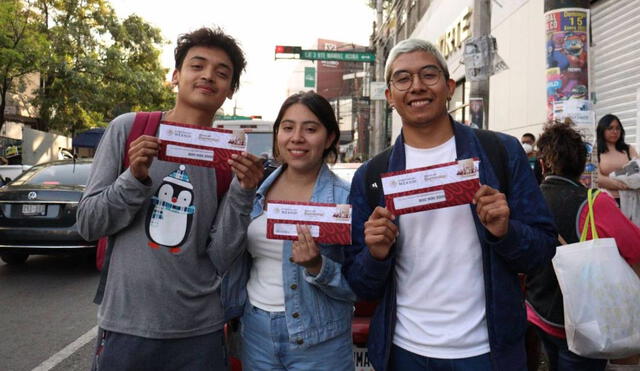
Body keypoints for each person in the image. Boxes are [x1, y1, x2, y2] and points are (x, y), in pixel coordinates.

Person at [342, 38, 557, 371]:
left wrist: (505, 232)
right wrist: (376, 254)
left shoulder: (501, 153)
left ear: (449, 86)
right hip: (404, 351)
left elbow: (541, 250)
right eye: (402, 78)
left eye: (429, 75)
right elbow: (359, 282)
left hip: (489, 351)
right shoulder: (372, 175)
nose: (416, 86)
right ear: (389, 97)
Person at [77, 27, 264, 371]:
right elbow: (89, 224)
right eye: (198, 65)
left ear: (230, 90)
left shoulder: (226, 156)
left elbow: (222, 255)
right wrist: (133, 177)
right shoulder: (130, 129)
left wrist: (242, 192)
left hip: (201, 333)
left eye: (222, 73)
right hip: (126, 327)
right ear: (176, 76)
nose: (208, 76)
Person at [222, 91, 355, 370]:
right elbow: (224, 251)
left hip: (319, 339)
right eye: (287, 127)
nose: (297, 138)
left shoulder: (344, 199)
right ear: (277, 134)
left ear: (329, 138)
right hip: (256, 331)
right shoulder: (254, 190)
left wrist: (319, 266)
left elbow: (360, 284)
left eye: (310, 129)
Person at [526, 122, 640, 371]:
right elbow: (636, 247)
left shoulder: (528, 200)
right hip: (583, 325)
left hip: (538, 312)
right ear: (582, 167)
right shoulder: (594, 203)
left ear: (543, 165)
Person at [596, 114, 638, 204]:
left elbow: (637, 171)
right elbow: (597, 178)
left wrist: (613, 177)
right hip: (606, 200)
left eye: (617, 128)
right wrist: (627, 183)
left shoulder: (628, 149)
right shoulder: (596, 151)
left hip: (631, 201)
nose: (615, 132)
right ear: (602, 130)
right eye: (610, 128)